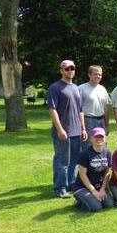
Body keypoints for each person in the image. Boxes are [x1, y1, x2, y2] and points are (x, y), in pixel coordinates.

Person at [48, 59, 87, 198]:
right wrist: (60, 129)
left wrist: (83, 129)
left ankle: (71, 185)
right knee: (62, 161)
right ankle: (60, 188)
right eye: (67, 68)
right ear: (61, 70)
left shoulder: (76, 88)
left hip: (77, 131)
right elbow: (52, 110)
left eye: (72, 68)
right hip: (63, 132)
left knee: (74, 161)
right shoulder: (55, 87)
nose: (70, 70)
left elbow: (80, 110)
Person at [71, 127, 113, 212]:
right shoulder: (85, 154)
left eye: (101, 137)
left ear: (105, 138)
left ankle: (88, 199)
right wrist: (93, 191)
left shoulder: (107, 153)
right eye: (96, 137)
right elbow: (82, 175)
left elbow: (108, 172)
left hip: (98, 186)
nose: (99, 139)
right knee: (96, 207)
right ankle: (79, 200)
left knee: (109, 204)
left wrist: (102, 189)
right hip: (82, 187)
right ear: (91, 139)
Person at [78, 65, 110, 151]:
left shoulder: (102, 89)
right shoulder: (81, 88)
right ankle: (86, 164)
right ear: (89, 75)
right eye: (95, 74)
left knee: (102, 144)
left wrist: (106, 125)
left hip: (101, 120)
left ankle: (101, 163)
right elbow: (78, 109)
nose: (98, 76)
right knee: (88, 145)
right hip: (88, 120)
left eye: (100, 74)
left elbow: (106, 108)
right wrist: (82, 127)